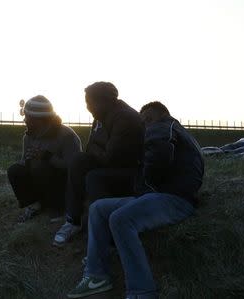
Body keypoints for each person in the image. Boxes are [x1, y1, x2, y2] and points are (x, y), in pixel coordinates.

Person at [67, 101, 204, 299]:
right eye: (143, 122)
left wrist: (144, 182)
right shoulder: (179, 133)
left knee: (121, 219)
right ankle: (96, 275)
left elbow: (159, 156)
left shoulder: (164, 126)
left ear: (157, 116)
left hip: (175, 199)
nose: (144, 126)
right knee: (98, 208)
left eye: (147, 120)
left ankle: (142, 291)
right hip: (159, 195)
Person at [53, 82, 144, 246]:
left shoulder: (125, 118)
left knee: (94, 178)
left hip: (130, 172)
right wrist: (97, 149)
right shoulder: (101, 116)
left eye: (90, 102)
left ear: (105, 101)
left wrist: (96, 149)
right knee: (78, 160)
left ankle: (102, 235)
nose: (87, 107)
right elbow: (91, 150)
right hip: (110, 165)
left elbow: (111, 158)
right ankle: (73, 220)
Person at [7, 95, 82, 222]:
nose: (24, 120)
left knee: (41, 167)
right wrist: (27, 161)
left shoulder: (66, 135)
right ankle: (34, 204)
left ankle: (57, 208)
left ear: (40, 120)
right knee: (15, 170)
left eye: (28, 117)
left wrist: (47, 157)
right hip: (40, 181)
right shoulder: (29, 137)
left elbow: (73, 167)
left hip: (62, 185)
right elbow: (23, 162)